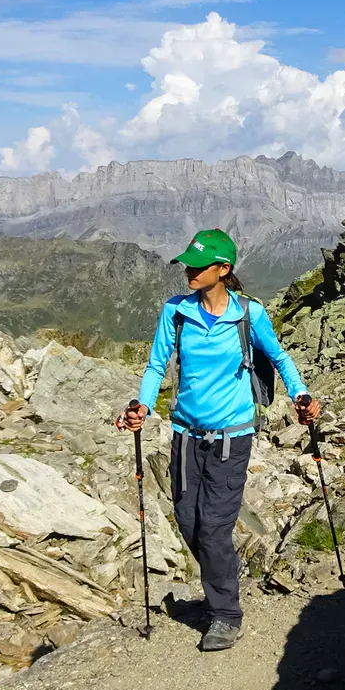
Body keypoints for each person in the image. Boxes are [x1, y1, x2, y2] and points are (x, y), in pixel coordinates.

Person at [119, 228, 319, 651]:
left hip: (232, 436)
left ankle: (226, 614)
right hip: (185, 436)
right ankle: (223, 576)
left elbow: (279, 357)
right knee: (188, 521)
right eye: (187, 264)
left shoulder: (249, 314)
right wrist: (142, 406)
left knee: (212, 529)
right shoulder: (176, 312)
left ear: (223, 270)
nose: (188, 271)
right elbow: (156, 365)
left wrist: (301, 395)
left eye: (198, 266)